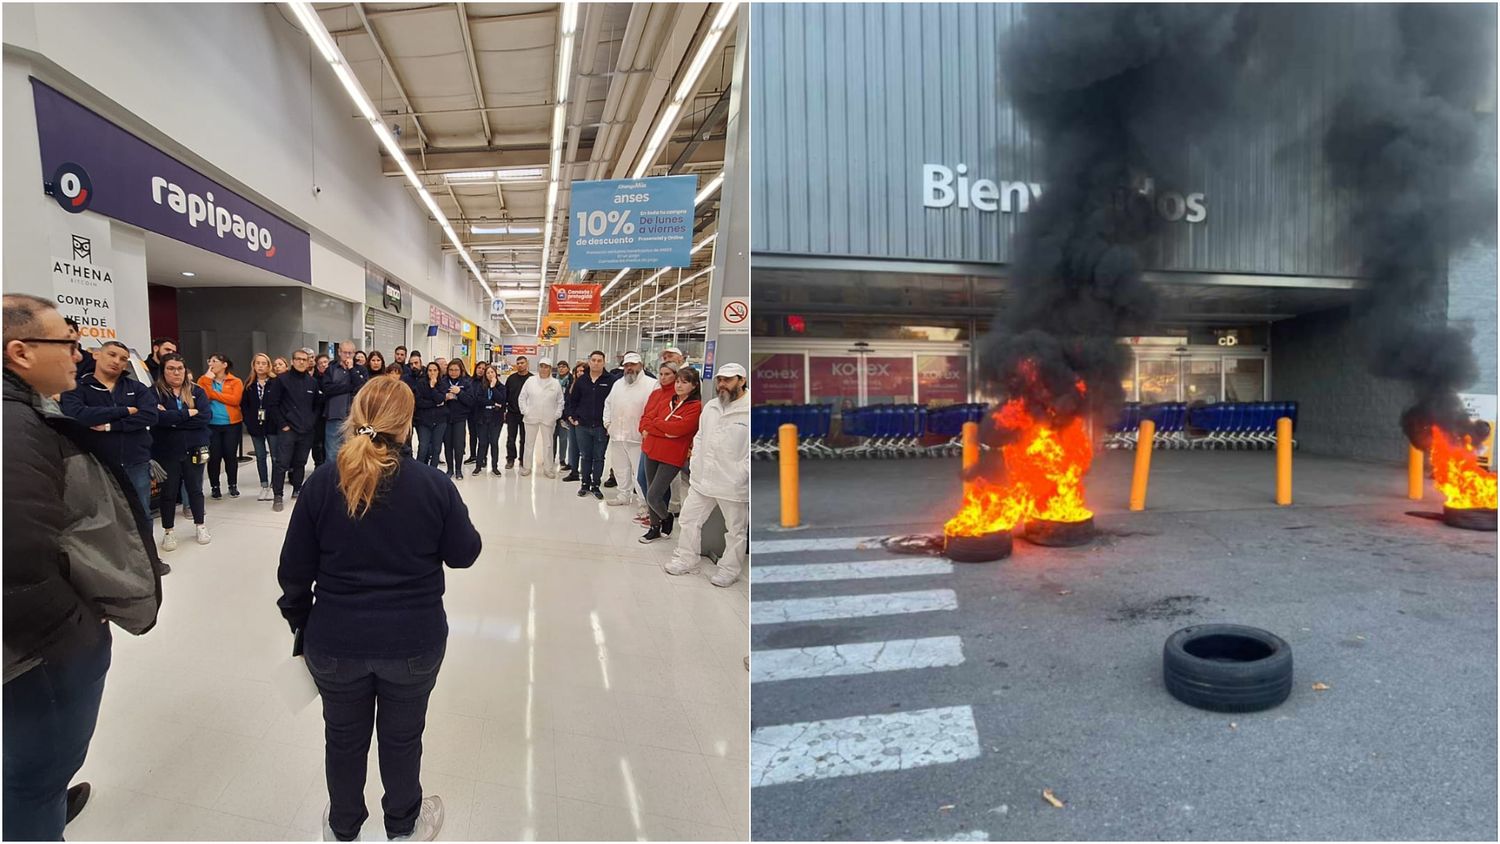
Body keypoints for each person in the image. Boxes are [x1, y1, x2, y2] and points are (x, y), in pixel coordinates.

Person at [277, 376, 479, 843]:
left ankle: (343, 827)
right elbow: (464, 553)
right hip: (413, 641)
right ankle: (403, 826)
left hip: (335, 641)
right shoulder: (433, 485)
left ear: (355, 416)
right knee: (403, 738)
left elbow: (292, 572)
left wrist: (304, 624)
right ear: (407, 425)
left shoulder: (322, 482)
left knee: (342, 739)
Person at [4, 293, 162, 840]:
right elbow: (17, 560)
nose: (79, 354)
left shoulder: (28, 414)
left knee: (31, 764)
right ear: (20, 352)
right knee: (34, 774)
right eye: (67, 343)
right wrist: (75, 629)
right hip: (36, 652)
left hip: (29, 645)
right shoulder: (15, 431)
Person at [60, 341, 159, 535]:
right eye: (112, 355)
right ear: (96, 355)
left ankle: (150, 560)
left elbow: (150, 416)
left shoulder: (137, 388)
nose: (117, 361)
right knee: (102, 517)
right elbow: (78, 415)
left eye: (123, 359)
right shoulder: (77, 388)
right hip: (97, 464)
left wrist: (110, 426)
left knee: (141, 513)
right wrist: (125, 410)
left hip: (135, 461)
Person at [665, 363, 750, 587]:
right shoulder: (712, 406)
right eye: (720, 379)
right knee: (689, 519)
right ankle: (687, 559)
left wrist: (742, 473)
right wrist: (696, 463)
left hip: (732, 483)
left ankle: (729, 569)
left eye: (728, 380)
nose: (722, 384)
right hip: (703, 478)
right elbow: (701, 437)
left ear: (741, 381)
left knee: (735, 529)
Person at [153, 355, 212, 549]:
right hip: (167, 450)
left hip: (194, 448)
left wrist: (172, 419)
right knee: (168, 492)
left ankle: (200, 525)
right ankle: (168, 531)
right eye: (171, 368)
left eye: (180, 368)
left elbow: (204, 417)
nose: (176, 372)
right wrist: (187, 414)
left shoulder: (198, 391)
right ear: (163, 370)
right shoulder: (153, 393)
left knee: (195, 489)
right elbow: (157, 419)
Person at [639, 367, 702, 542]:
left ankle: (666, 517)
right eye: (678, 382)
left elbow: (680, 430)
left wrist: (656, 426)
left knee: (654, 494)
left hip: (672, 456)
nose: (679, 385)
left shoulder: (695, 407)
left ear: (694, 385)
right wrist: (661, 429)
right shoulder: (666, 400)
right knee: (649, 489)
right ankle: (654, 526)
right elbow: (646, 421)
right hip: (651, 450)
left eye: (684, 382)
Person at [266, 348, 320, 512]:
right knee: (281, 463)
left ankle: (297, 490)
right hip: (288, 430)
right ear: (292, 361)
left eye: (305, 359)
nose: (302, 362)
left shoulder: (312, 382)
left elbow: (317, 405)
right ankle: (278, 496)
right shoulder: (281, 380)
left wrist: (311, 422)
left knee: (300, 462)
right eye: (298, 359)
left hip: (306, 431)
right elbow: (272, 405)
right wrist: (283, 424)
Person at [602, 352, 656, 508]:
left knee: (640, 473)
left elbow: (654, 410)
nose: (629, 368)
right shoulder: (618, 384)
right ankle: (623, 495)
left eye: (633, 364)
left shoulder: (652, 384)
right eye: (626, 365)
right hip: (617, 435)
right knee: (620, 468)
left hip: (638, 438)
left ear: (641, 365)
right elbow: (608, 404)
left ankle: (643, 501)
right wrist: (607, 423)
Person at [564, 351, 614, 499]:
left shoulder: (610, 380)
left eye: (599, 360)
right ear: (589, 362)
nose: (596, 363)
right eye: (594, 360)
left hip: (601, 427)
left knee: (599, 457)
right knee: (585, 456)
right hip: (583, 425)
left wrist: (609, 424)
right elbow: (573, 401)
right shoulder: (582, 380)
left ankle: (596, 485)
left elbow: (614, 404)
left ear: (604, 362)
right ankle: (584, 484)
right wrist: (573, 417)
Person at [636, 361, 680, 525]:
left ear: (676, 375)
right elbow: (647, 416)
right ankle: (655, 515)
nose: (663, 377)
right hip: (649, 444)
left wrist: (651, 428)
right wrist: (644, 429)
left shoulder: (678, 397)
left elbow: (666, 423)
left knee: (660, 486)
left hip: (666, 447)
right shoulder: (656, 394)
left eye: (667, 374)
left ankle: (662, 515)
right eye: (661, 374)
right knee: (643, 480)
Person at [198, 353, 244, 499]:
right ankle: (215, 486)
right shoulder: (203, 380)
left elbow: (235, 400)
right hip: (212, 425)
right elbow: (202, 397)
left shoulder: (235, 381)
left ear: (224, 364)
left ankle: (232, 485)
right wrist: (207, 380)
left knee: (230, 455)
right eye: (209, 360)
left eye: (214, 361)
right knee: (214, 457)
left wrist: (213, 394)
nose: (211, 363)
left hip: (232, 424)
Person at [518, 359, 564, 478]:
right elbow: (522, 397)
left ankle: (548, 468)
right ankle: (527, 467)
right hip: (531, 417)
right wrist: (525, 411)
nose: (544, 369)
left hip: (548, 418)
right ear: (538, 368)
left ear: (550, 368)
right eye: (541, 366)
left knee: (548, 444)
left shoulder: (555, 383)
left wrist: (556, 415)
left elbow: (560, 401)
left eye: (546, 367)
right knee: (528, 443)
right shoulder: (530, 381)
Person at [321, 342, 366, 461]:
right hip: (334, 415)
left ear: (354, 354)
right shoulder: (331, 369)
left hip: (354, 417)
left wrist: (351, 369)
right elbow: (327, 389)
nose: (347, 355)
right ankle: (332, 478)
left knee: (353, 452)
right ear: (339, 352)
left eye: (350, 353)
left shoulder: (360, 370)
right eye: (345, 352)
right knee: (332, 452)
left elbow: (362, 388)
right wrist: (349, 387)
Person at [243, 352, 278, 501]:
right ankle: (264, 485)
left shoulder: (276, 382)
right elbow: (244, 406)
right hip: (256, 426)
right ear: (254, 365)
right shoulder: (249, 385)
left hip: (273, 425)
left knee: (276, 457)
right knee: (260, 456)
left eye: (264, 363)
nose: (261, 366)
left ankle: (274, 486)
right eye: (258, 363)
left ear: (268, 365)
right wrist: (249, 423)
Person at [439, 360, 475, 480]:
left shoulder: (466, 383)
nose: (453, 372)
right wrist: (445, 398)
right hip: (446, 418)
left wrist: (459, 392)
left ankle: (458, 470)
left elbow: (470, 401)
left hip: (460, 418)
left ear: (461, 370)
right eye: (451, 370)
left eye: (456, 370)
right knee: (448, 444)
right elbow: (437, 397)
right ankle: (450, 469)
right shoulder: (443, 382)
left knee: (458, 445)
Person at [413, 362, 447, 470]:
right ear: (426, 372)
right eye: (430, 370)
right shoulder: (420, 384)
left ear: (439, 372)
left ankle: (433, 471)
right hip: (424, 420)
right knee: (423, 447)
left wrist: (432, 387)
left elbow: (440, 399)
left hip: (440, 420)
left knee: (436, 448)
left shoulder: (443, 384)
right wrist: (434, 404)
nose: (432, 373)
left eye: (435, 370)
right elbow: (419, 402)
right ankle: (419, 470)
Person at [472, 366, 505, 476]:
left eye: (492, 372)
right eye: (487, 373)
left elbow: (501, 399)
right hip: (482, 418)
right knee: (482, 443)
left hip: (495, 419)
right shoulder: (481, 387)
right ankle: (478, 465)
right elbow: (479, 400)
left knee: (494, 443)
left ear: (495, 373)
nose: (490, 375)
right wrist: (493, 403)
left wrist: (493, 387)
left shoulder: (501, 387)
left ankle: (495, 467)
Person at [502, 356, 533, 470]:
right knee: (511, 438)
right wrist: (504, 410)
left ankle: (523, 459)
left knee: (524, 439)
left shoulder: (532, 379)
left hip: (527, 414)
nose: (520, 365)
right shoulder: (511, 379)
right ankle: (510, 459)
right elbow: (506, 395)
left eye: (522, 363)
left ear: (527, 363)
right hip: (512, 413)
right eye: (518, 363)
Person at [561, 362, 589, 482]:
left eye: (582, 371)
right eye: (578, 371)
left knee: (584, 448)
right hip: (572, 420)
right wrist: (568, 416)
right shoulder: (572, 385)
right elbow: (568, 402)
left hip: (583, 421)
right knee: (573, 446)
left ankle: (586, 471)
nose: (580, 373)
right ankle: (574, 470)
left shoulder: (589, 385)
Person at [466, 362, 489, 464]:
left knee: (483, 436)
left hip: (483, 413)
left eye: (483, 369)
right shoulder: (470, 381)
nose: (480, 370)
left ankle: (483, 457)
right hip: (471, 412)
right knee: (472, 435)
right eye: (479, 368)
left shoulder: (487, 383)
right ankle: (473, 455)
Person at [553, 360, 573, 472]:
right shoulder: (553, 380)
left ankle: (562, 459)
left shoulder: (571, 381)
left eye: (564, 367)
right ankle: (551, 457)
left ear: (568, 368)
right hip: (552, 413)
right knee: (552, 437)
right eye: (559, 367)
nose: (561, 369)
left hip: (565, 415)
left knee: (563, 438)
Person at [63, 317, 96, 382]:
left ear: (78, 335)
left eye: (70, 331)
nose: (67, 335)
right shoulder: (48, 360)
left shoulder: (91, 361)